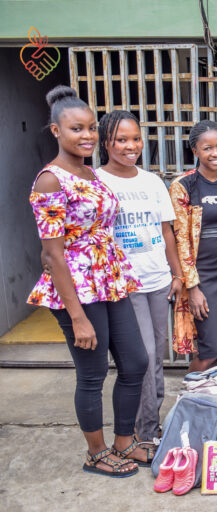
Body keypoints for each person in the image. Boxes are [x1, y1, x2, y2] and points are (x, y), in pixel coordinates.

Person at [27, 85, 148, 477]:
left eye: (92, 128)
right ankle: (95, 454)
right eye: (76, 128)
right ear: (56, 131)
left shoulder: (89, 172)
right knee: (93, 373)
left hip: (109, 279)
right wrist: (77, 316)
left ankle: (124, 442)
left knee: (136, 362)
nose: (87, 136)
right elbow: (52, 253)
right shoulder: (50, 180)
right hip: (77, 288)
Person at [95, 110, 183, 447]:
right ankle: (141, 433)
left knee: (156, 358)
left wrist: (175, 273)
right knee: (142, 358)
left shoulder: (151, 181)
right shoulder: (97, 182)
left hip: (158, 281)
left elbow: (166, 231)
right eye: (121, 140)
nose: (130, 146)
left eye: (135, 139)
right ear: (106, 142)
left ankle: (149, 426)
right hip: (123, 285)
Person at [169, 120, 217, 371]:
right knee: (209, 351)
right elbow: (180, 238)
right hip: (202, 277)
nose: (216, 153)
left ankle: (213, 404)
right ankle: (189, 400)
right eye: (207, 148)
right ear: (195, 151)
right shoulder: (183, 185)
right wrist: (192, 287)